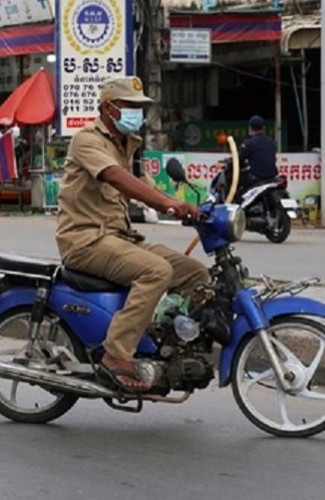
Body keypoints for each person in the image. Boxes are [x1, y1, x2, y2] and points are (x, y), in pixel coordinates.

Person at [55, 76, 210, 393]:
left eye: (140, 107)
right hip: (86, 241)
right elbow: (117, 178)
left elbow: (141, 184)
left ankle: (171, 342)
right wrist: (168, 204)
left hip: (119, 238)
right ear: (109, 107)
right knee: (156, 271)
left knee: (194, 272)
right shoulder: (87, 139)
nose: (137, 112)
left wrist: (195, 204)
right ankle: (116, 354)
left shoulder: (125, 143)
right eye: (131, 106)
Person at [237, 115, 278, 192]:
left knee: (238, 182)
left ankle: (239, 202)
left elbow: (239, 160)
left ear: (250, 129)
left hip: (256, 177)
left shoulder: (248, 144)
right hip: (272, 176)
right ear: (263, 128)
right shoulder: (271, 142)